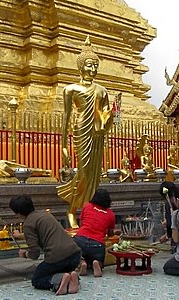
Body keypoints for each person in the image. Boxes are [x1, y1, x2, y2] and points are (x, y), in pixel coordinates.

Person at [57, 35, 113, 228]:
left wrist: (112, 114)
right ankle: (72, 210)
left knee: (95, 176)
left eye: (95, 66)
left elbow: (105, 116)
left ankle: (90, 212)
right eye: (89, 65)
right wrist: (63, 145)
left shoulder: (102, 91)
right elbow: (65, 117)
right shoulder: (70, 89)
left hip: (97, 134)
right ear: (81, 67)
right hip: (81, 130)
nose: (92, 69)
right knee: (83, 174)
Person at [10, 195, 81, 295]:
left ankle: (60, 281)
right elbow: (41, 233)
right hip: (75, 255)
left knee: (37, 279)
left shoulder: (28, 224)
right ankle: (72, 277)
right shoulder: (44, 214)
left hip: (57, 258)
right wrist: (19, 235)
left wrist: (25, 254)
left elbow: (35, 254)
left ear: (18, 213)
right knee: (58, 269)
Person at [73, 189, 118, 277]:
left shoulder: (87, 206)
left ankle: (82, 263)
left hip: (80, 240)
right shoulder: (110, 214)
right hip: (97, 244)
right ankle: (97, 263)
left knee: (77, 254)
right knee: (99, 258)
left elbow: (81, 224)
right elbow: (110, 233)